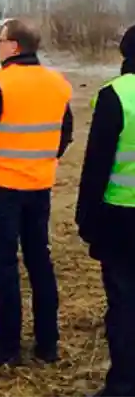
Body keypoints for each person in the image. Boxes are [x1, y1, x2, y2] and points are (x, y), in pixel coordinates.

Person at [0, 18, 73, 366]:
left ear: (14, 47)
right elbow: (64, 133)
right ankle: (47, 343)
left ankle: (7, 345)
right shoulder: (58, 84)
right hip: (39, 185)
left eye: (0, 41)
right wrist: (42, 160)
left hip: (3, 187)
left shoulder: (0, 84)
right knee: (40, 261)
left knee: (4, 265)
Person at [75, 25, 135, 397]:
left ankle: (125, 384)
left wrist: (87, 218)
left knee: (125, 303)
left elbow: (96, 164)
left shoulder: (116, 95)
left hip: (122, 217)